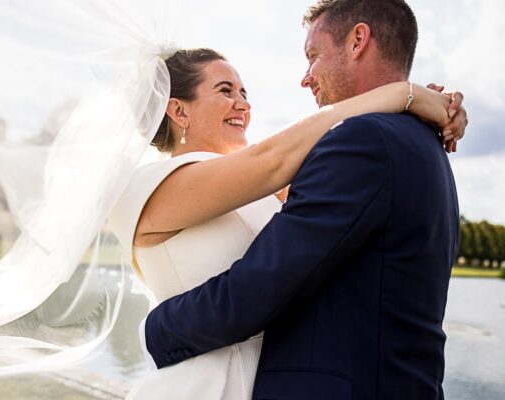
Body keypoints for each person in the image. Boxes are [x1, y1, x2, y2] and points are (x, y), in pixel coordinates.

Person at [109, 6, 466, 398]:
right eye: (225, 91)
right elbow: (275, 161)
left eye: (244, 93)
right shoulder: (149, 187)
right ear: (177, 110)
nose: (243, 104)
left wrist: (415, 102)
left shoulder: (360, 147)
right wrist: (403, 94)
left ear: (358, 41)